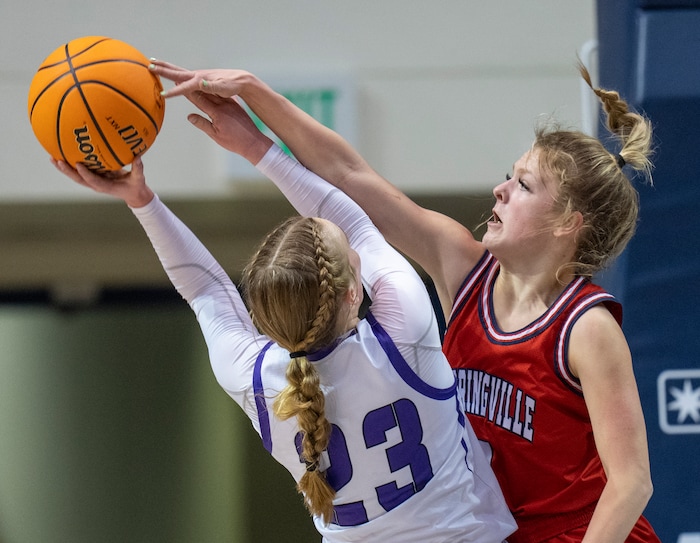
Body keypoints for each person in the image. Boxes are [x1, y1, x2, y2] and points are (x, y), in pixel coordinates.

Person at [149, 59, 661, 543]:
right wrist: (256, 103)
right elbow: (350, 177)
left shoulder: (586, 327)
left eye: (523, 185)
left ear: (568, 223)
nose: (500, 189)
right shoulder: (462, 264)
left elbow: (632, 482)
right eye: (510, 174)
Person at [50, 89, 516, 542]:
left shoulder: (258, 381)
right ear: (354, 291)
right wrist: (254, 146)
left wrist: (141, 199)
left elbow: (204, 289)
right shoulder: (402, 333)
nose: (356, 247)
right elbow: (356, 222)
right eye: (352, 255)